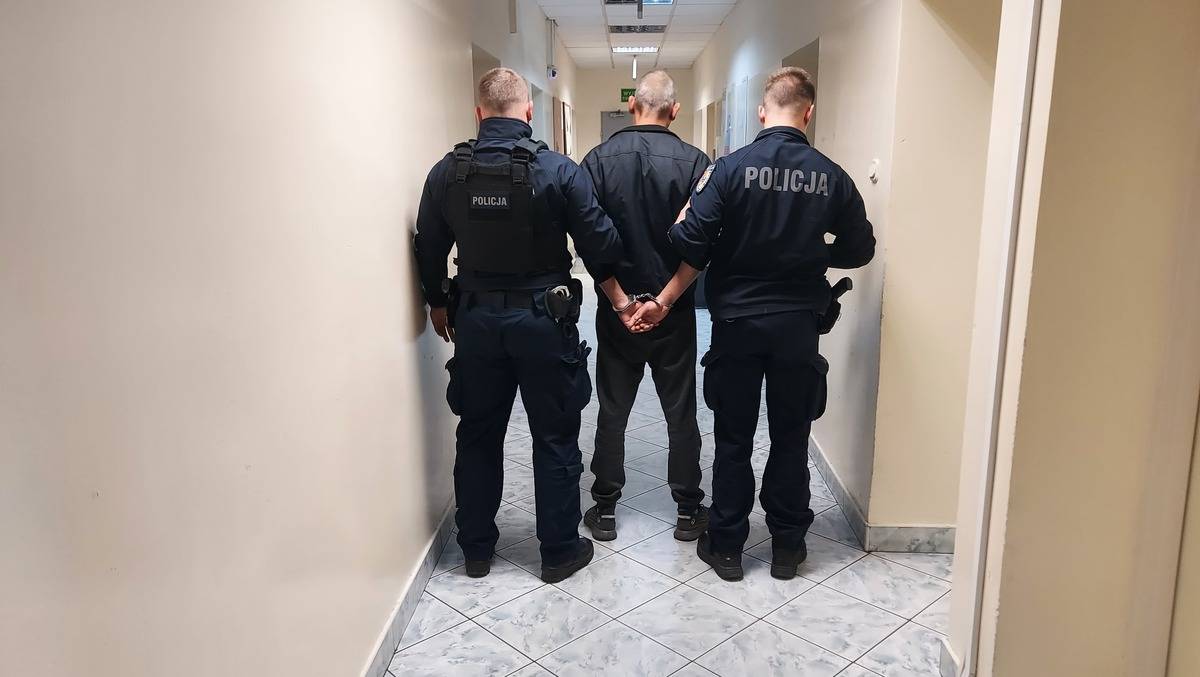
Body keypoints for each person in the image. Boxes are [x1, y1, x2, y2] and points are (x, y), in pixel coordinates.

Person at [635, 67, 875, 581]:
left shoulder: (729, 169)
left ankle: (727, 547)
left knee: (734, 438)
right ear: (808, 113)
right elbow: (860, 249)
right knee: (791, 435)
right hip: (798, 327)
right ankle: (787, 547)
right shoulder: (831, 176)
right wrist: (813, 251)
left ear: (762, 112)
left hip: (737, 324)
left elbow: (688, 239)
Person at [414, 68, 637, 584]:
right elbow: (601, 245)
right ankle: (558, 552)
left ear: (479, 112)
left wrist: (438, 302)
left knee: (477, 434)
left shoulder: (448, 172)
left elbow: (428, 245)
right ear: (529, 111)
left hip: (475, 321)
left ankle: (475, 551)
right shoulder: (557, 170)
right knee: (554, 435)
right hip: (544, 320)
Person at [578, 70, 712, 543]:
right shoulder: (697, 164)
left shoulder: (596, 162)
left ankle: (605, 507)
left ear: (633, 106)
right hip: (673, 313)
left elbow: (588, 239)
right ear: (674, 111)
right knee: (680, 411)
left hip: (618, 314)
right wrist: (664, 301)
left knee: (613, 409)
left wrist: (620, 302)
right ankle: (688, 509)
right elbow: (703, 242)